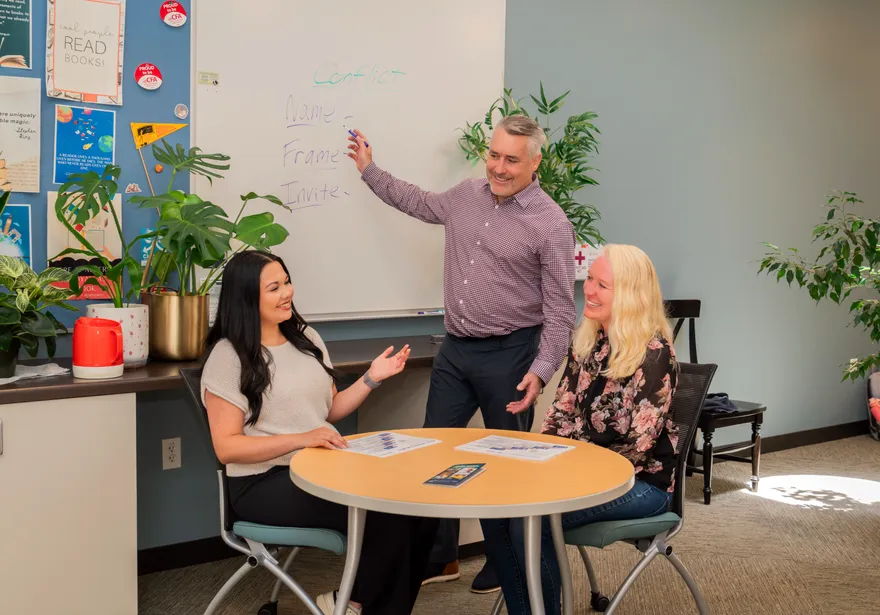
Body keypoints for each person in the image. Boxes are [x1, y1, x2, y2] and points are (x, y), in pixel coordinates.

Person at [346, 115, 577, 592]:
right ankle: (440, 557)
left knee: (506, 463)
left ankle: (505, 562)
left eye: (512, 159)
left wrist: (541, 369)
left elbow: (559, 309)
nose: (499, 166)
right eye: (494, 155)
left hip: (511, 355)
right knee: (433, 452)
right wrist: (370, 169)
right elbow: (418, 201)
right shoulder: (466, 195)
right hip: (456, 349)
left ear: (535, 162)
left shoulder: (551, 224)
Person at [199, 250, 439, 615]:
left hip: (318, 466)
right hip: (262, 483)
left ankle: (355, 603)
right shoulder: (228, 356)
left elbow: (330, 410)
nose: (287, 293)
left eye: (287, 282)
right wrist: (302, 439)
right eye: (274, 287)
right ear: (246, 296)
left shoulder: (304, 337)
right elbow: (227, 448)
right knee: (386, 514)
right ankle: (357, 605)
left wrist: (372, 378)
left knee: (419, 507)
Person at [482, 244, 680, 615]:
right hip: (579, 475)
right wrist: (541, 460)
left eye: (602, 285)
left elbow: (638, 446)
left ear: (630, 296)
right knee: (496, 507)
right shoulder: (589, 341)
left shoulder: (655, 354)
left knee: (533, 517)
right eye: (590, 279)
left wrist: (567, 474)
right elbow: (560, 414)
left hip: (639, 485)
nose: (588, 290)